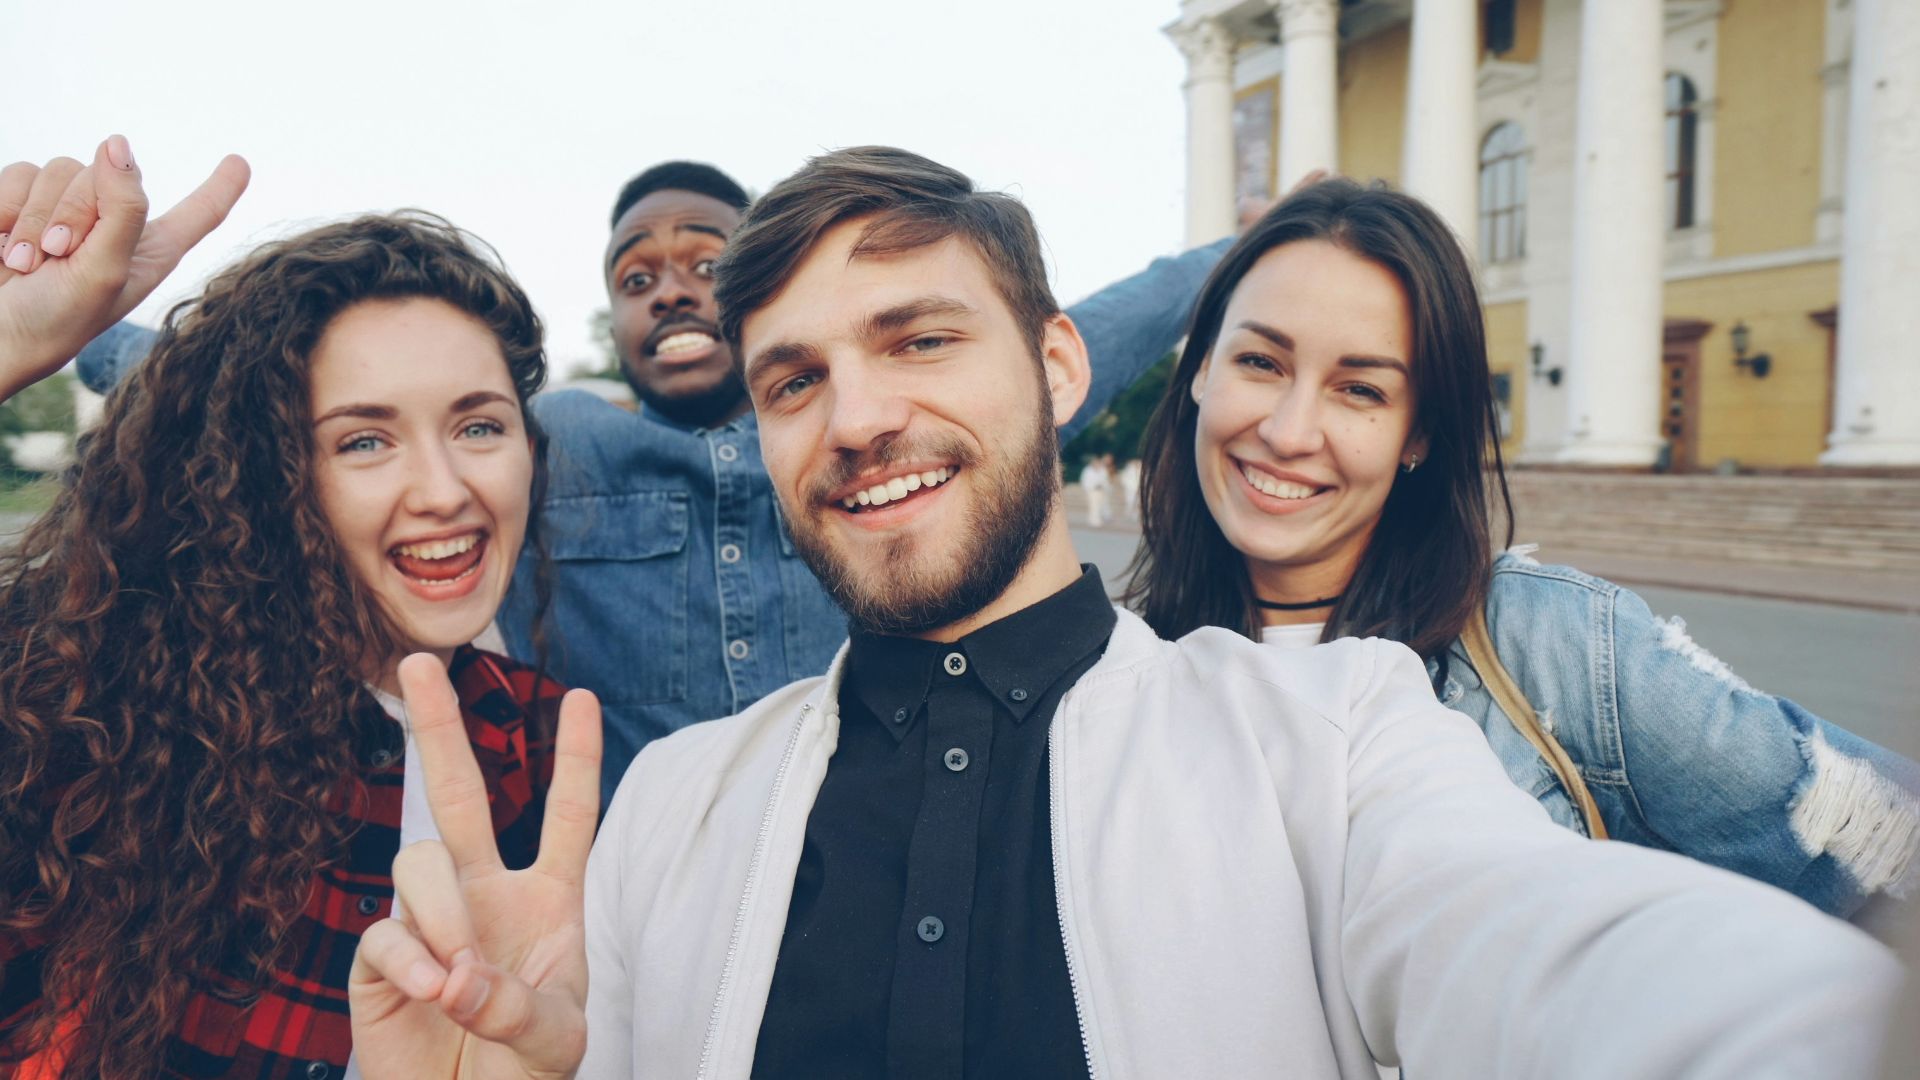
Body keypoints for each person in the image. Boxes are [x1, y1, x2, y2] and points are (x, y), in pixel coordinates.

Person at [348, 147, 1899, 1080]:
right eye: (795, 380)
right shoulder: (676, 807)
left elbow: (1541, 943)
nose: (861, 414)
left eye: (920, 338)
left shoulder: (1336, 732)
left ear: (1061, 369)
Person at [75, 160, 1232, 801]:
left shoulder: (853, 447)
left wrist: (1240, 248)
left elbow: (1083, 339)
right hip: (624, 890)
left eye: (708, 263)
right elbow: (277, 409)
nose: (672, 288)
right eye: (638, 275)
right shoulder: (544, 442)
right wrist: (89, 318)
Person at [1124, 177, 1920, 916]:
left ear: (1418, 435)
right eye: (1261, 362)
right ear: (1198, 374)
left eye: (1361, 389)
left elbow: (1891, 845)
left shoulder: (1552, 643)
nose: (1289, 432)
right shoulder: (1116, 670)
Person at [0, 141, 592, 1077]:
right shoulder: (73, 699)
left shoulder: (541, 744)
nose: (444, 491)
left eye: (479, 425)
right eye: (364, 441)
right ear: (266, 477)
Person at [1078, 451, 1111, 526]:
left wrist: (1104, 486)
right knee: (1093, 506)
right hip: (1092, 491)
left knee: (1099, 506)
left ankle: (1098, 519)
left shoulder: (1103, 470)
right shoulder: (1087, 470)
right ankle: (1093, 520)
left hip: (1101, 491)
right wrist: (1091, 487)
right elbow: (1084, 481)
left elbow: (1105, 480)